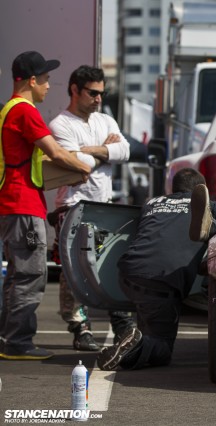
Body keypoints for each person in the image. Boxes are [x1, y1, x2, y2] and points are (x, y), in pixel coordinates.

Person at [0, 51, 91, 360]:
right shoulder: (25, 111)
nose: (50, 86)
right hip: (23, 208)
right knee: (30, 274)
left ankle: (10, 339)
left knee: (18, 275)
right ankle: (18, 343)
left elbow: (29, 164)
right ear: (32, 80)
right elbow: (55, 151)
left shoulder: (10, 110)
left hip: (17, 204)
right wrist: (82, 167)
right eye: (47, 80)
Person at [97, 168, 216, 370]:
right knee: (162, 351)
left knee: (150, 316)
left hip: (129, 273)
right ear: (200, 192)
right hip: (161, 281)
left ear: (173, 187)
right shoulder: (208, 207)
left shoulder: (151, 203)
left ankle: (136, 339)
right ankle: (138, 345)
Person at [49, 65, 134, 351]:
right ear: (74, 90)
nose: (98, 98)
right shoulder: (60, 124)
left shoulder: (105, 120)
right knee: (74, 270)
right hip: (73, 206)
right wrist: (101, 152)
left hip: (103, 205)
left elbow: (125, 151)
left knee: (109, 263)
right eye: (92, 93)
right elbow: (80, 167)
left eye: (101, 93)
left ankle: (122, 324)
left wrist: (88, 151)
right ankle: (80, 327)